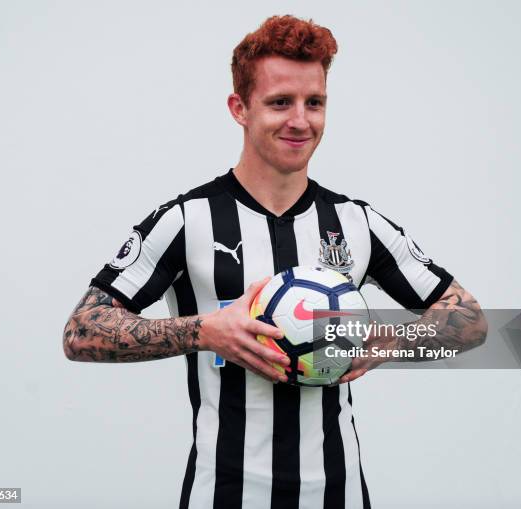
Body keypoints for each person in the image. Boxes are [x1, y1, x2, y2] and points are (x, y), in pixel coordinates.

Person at [63, 15, 487, 509]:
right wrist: (204, 331)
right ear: (239, 108)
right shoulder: (187, 220)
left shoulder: (357, 223)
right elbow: (80, 331)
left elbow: (472, 322)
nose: (300, 121)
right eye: (280, 102)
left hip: (339, 494)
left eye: (315, 103)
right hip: (222, 495)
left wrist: (387, 340)